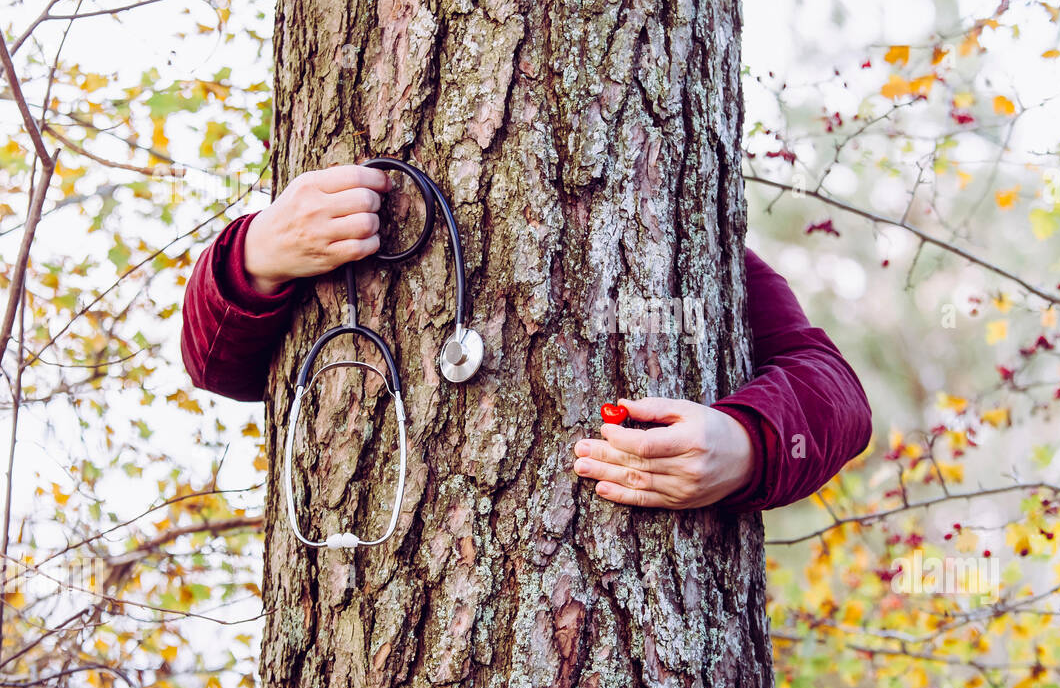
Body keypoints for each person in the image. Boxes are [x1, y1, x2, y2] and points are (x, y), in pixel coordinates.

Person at [181, 164, 872, 514]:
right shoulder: (326, 204)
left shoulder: (694, 249)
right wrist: (255, 253)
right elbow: (216, 363)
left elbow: (838, 395)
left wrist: (750, 443)